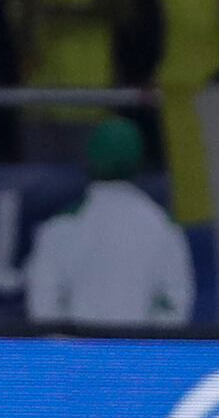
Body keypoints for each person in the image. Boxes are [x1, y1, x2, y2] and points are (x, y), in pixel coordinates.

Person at [24, 118, 193, 327]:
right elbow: (175, 304)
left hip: (80, 356)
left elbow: (43, 304)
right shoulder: (163, 226)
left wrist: (70, 352)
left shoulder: (62, 225)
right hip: (137, 355)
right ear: (140, 163)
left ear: (88, 161)